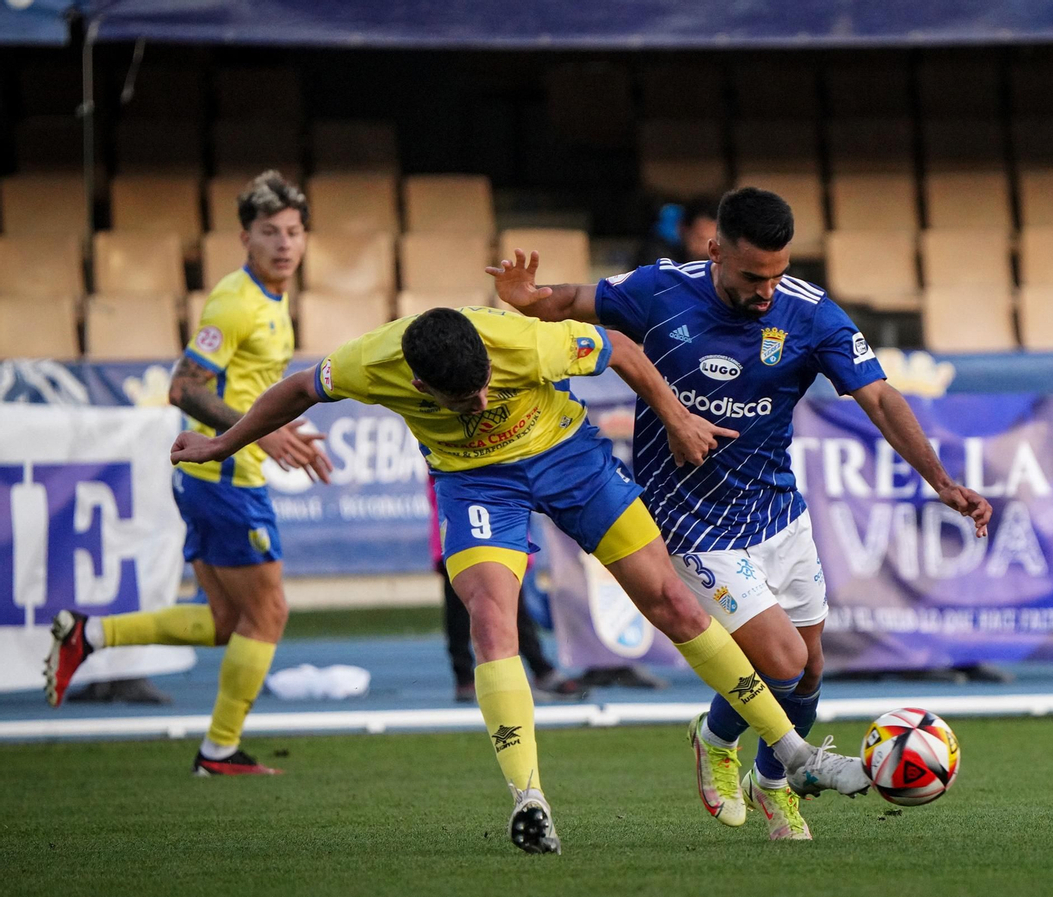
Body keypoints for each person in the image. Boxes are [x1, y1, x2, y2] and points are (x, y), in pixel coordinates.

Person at [168, 304, 873, 854]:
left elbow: (622, 349)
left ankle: (793, 754)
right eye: (462, 399)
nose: (480, 403)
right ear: (418, 386)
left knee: (671, 601)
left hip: (567, 455)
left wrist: (675, 415)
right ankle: (529, 801)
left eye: (484, 388)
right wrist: (224, 442)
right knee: (489, 619)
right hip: (476, 484)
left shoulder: (522, 343)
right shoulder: (367, 362)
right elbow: (298, 388)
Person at [488, 187, 992, 841]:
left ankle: (773, 785)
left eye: (777, 275)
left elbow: (880, 398)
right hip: (688, 519)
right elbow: (567, 301)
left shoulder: (810, 314)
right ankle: (714, 737)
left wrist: (941, 481)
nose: (766, 291)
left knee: (809, 669)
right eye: (753, 277)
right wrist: (527, 297)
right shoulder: (659, 291)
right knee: (780, 661)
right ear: (715, 251)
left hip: (776, 510)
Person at [45, 170, 331, 777]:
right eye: (270, 231)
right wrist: (259, 431)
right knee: (269, 614)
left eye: (293, 231)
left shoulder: (272, 298)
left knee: (227, 621)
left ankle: (89, 636)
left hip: (220, 474)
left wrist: (265, 428)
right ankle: (219, 751)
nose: (284, 243)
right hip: (224, 477)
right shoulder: (235, 302)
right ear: (244, 238)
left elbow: (241, 387)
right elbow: (184, 387)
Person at [426, 477, 586, 703]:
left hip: (500, 525)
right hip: (459, 523)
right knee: (461, 610)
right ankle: (467, 677)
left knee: (513, 607)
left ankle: (537, 670)